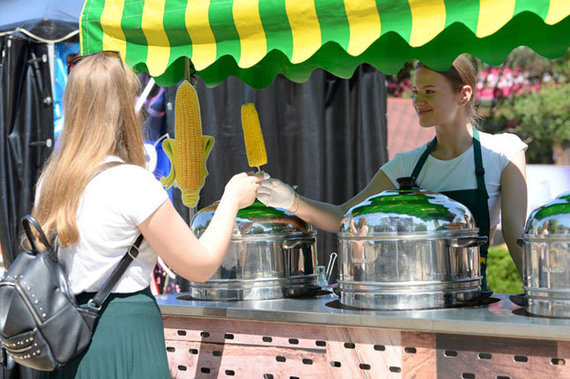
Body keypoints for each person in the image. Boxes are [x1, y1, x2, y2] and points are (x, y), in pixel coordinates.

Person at [32, 51, 261, 378]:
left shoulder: (50, 183)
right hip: (122, 332)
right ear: (123, 107)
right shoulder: (131, 182)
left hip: (65, 338)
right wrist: (231, 199)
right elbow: (199, 265)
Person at [258, 54, 528, 289]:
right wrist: (292, 202)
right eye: (415, 92)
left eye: (430, 91)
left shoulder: (504, 152)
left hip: (471, 302)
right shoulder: (405, 165)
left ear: (464, 94)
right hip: (412, 302)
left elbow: (516, 236)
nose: (418, 101)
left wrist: (540, 299)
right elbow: (345, 217)